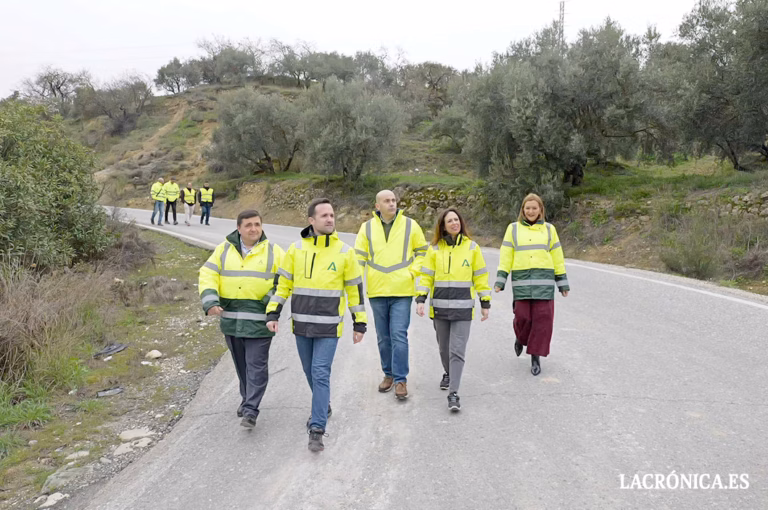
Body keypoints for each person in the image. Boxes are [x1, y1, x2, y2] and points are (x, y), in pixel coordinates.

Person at [266, 198, 367, 453]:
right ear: (311, 220)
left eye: (332, 215)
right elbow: (283, 285)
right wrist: (272, 313)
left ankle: (317, 428)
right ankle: (324, 405)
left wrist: (360, 323)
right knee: (310, 372)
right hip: (301, 325)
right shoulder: (295, 250)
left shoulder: (345, 252)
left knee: (321, 373)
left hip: (329, 328)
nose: (330, 219)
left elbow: (355, 291)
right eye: (324, 216)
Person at [198, 210, 285, 428]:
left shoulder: (275, 252)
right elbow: (208, 274)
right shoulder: (223, 250)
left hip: (260, 320)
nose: (254, 229)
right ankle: (247, 399)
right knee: (241, 365)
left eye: (257, 224)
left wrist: (267, 302)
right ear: (239, 228)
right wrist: (210, 302)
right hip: (231, 320)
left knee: (255, 365)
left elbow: (283, 282)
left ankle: (251, 410)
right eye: (248, 225)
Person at [415, 208, 491, 411]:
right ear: (443, 225)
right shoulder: (434, 250)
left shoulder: (472, 248)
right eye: (450, 221)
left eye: (457, 219)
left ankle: (454, 393)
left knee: (457, 351)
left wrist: (485, 302)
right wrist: (421, 298)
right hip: (439, 309)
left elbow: (480, 277)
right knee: (444, 349)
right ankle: (448, 373)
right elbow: (426, 277)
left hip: (463, 310)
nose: (454, 223)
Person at [354, 190, 427, 400]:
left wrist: (412, 272)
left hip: (402, 290)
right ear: (377, 206)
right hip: (377, 290)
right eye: (387, 201)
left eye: (394, 200)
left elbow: (423, 252)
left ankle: (401, 379)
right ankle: (388, 374)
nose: (392, 203)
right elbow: (358, 257)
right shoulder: (366, 228)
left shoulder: (410, 225)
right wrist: (356, 284)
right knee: (383, 338)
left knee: (398, 335)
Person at [494, 193, 570, 376]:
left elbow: (557, 257)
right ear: (522, 210)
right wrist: (500, 280)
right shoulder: (512, 229)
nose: (530, 211)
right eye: (527, 208)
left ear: (540, 210)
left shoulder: (550, 230)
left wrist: (562, 283)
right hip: (521, 281)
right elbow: (506, 256)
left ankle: (535, 356)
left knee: (543, 320)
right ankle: (520, 338)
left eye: (534, 208)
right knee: (523, 317)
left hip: (544, 282)